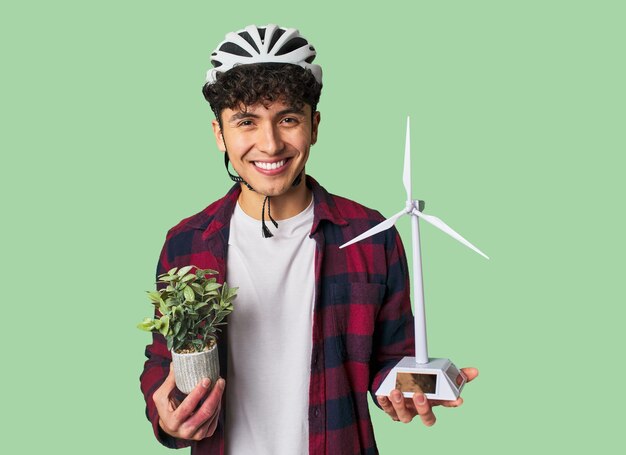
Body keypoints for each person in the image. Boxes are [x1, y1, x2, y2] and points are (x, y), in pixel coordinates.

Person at [140, 24, 478, 454]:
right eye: (247, 121)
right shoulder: (185, 244)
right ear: (219, 134)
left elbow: (391, 359)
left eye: (288, 119)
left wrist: (409, 391)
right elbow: (163, 360)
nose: (270, 143)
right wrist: (165, 413)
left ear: (314, 126)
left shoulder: (370, 237)